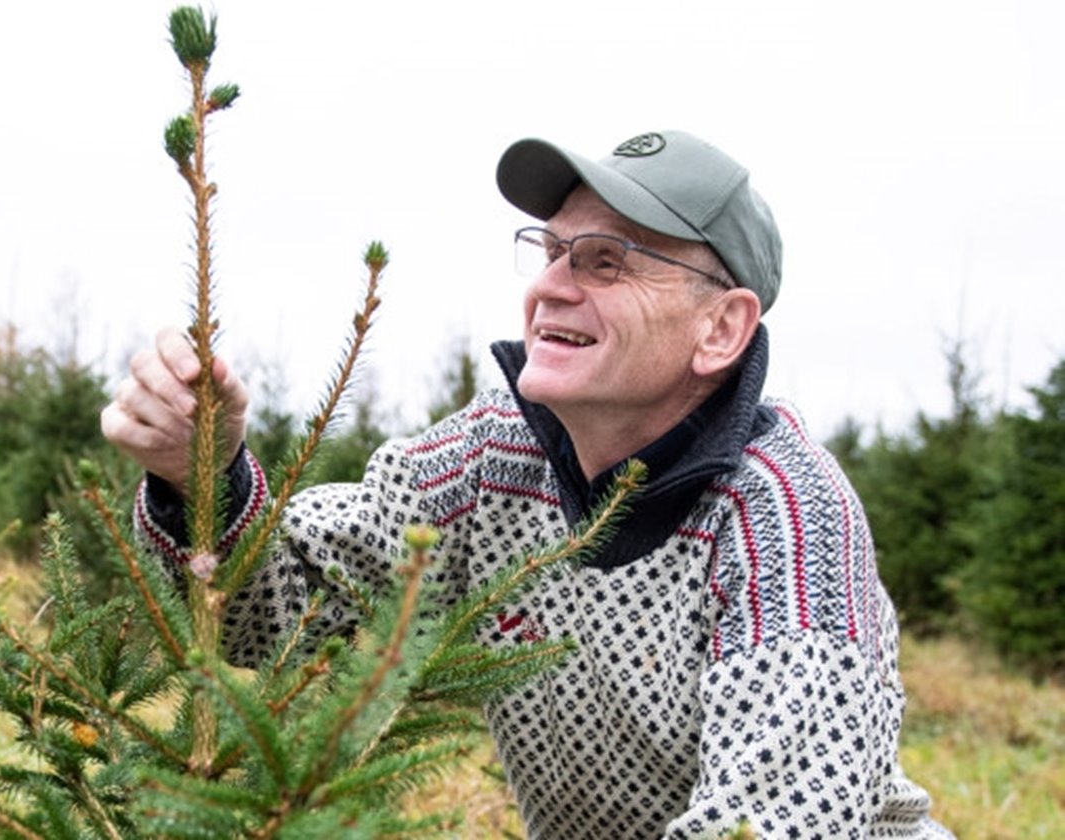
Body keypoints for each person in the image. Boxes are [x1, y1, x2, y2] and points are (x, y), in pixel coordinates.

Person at [101, 130, 953, 839]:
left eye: (607, 261)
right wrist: (198, 477)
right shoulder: (491, 460)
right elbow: (276, 611)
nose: (549, 285)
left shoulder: (789, 523)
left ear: (721, 327)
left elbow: (778, 823)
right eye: (549, 251)